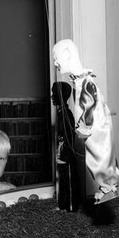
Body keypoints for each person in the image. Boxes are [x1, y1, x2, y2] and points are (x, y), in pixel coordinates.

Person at [52, 39, 119, 204]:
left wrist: (83, 127)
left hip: (94, 128)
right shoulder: (80, 80)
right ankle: (107, 186)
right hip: (93, 129)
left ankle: (109, 187)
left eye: (56, 57)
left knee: (100, 157)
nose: (55, 63)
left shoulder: (85, 82)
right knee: (97, 158)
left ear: (68, 53)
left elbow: (88, 103)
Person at [52, 81, 80, 212]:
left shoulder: (66, 114)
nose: (52, 97)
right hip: (61, 153)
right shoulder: (60, 113)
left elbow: (67, 138)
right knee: (63, 180)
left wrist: (62, 154)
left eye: (54, 94)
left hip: (66, 154)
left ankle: (70, 208)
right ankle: (63, 206)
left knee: (68, 181)